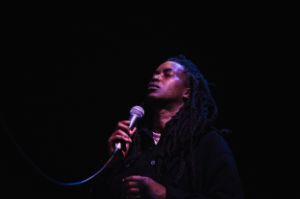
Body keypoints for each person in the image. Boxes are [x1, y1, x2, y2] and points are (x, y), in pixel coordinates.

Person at [92, 55, 244, 199]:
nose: (155, 77)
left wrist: (166, 194)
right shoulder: (134, 140)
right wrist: (113, 163)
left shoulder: (205, 141)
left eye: (167, 74)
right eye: (155, 74)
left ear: (187, 92)